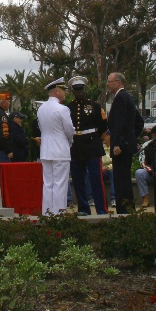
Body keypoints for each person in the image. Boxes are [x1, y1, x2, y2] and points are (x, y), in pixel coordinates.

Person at [66, 75, 109, 216]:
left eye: (81, 89)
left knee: (96, 179)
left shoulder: (95, 106)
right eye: (76, 90)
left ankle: (101, 209)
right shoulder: (68, 108)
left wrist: (98, 140)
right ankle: (83, 208)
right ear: (72, 91)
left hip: (92, 146)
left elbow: (103, 126)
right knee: (78, 181)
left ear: (85, 90)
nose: (79, 92)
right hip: (75, 147)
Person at [106, 72, 144, 214]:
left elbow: (119, 123)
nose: (107, 85)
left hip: (120, 148)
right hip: (125, 146)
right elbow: (139, 122)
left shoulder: (121, 98)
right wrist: (131, 139)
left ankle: (124, 211)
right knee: (124, 179)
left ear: (119, 83)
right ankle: (128, 209)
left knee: (121, 181)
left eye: (110, 82)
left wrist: (119, 144)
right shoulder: (126, 97)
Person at [37, 78, 75, 215]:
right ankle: (59, 214)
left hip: (46, 150)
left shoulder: (41, 108)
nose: (65, 93)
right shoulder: (62, 109)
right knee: (60, 184)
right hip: (60, 150)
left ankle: (47, 213)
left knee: (48, 184)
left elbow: (41, 128)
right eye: (63, 90)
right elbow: (69, 130)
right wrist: (69, 142)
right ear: (57, 91)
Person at [135, 124, 156, 209]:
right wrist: (154, 173)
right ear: (154, 135)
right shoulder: (146, 145)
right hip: (152, 173)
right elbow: (143, 163)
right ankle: (145, 199)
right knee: (139, 173)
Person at [0, 92, 13, 162]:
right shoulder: (1, 115)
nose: (9, 104)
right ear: (3, 102)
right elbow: (4, 134)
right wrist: (8, 150)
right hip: (1, 151)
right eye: (9, 102)